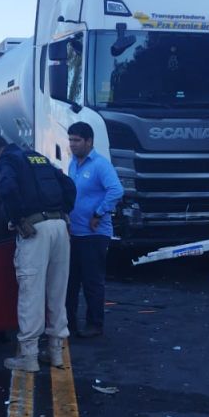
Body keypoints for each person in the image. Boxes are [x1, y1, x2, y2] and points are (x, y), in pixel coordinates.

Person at [0, 134, 76, 372]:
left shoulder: (7, 161)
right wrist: (64, 211)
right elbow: (68, 185)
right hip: (59, 228)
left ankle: (29, 356)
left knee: (31, 294)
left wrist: (16, 219)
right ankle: (55, 353)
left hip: (34, 231)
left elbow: (7, 189)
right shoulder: (37, 157)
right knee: (57, 292)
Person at [65, 122, 123, 338]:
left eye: (77, 140)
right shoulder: (73, 163)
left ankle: (95, 324)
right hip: (74, 234)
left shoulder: (100, 165)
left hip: (94, 235)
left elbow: (116, 190)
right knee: (70, 282)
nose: (72, 144)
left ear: (89, 141)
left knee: (92, 281)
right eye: (70, 140)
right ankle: (69, 324)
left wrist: (99, 213)